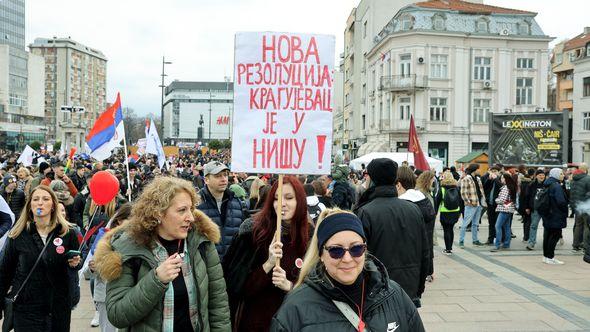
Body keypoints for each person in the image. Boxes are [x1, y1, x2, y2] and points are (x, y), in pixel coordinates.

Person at [94, 176, 231, 331]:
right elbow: (117, 314)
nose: (191, 218)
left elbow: (218, 304)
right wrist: (156, 280)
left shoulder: (202, 242)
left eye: (191, 209)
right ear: (158, 213)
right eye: (182, 210)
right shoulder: (128, 247)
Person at [270, 209, 425, 332]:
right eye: (336, 251)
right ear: (321, 255)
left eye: (356, 249)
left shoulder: (393, 294)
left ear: (365, 250)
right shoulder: (296, 307)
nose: (347, 259)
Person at [223, 176, 311, 331]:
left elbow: (315, 290)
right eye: (277, 199)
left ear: (301, 201)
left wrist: (290, 286)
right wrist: (268, 264)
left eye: (289, 198)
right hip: (257, 323)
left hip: (293, 323)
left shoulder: (310, 237)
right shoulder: (253, 232)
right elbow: (237, 287)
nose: (282, 204)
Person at [0, 185, 81, 331]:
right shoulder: (17, 235)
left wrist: (75, 264)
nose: (40, 203)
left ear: (53, 206)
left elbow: (74, 266)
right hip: (27, 309)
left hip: (58, 308)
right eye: (35, 199)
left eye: (45, 199)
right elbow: (4, 272)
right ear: (30, 206)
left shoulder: (68, 233)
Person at [354, 158, 429, 308]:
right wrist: (419, 288)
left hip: (377, 290)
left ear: (372, 178)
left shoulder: (365, 212)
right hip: (409, 287)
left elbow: (359, 256)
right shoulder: (413, 209)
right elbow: (425, 253)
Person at [83, 203, 132, 332]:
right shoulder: (104, 239)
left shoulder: (141, 241)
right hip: (105, 296)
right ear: (120, 220)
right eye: (130, 218)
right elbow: (87, 274)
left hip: (130, 297)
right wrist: (93, 268)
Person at [197, 161, 246, 258]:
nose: (223, 179)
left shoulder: (236, 202)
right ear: (206, 180)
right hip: (207, 266)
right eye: (217, 176)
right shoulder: (196, 204)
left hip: (232, 266)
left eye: (225, 175)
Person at [396, 166, 436, 282]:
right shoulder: (425, 201)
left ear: (398, 185)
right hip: (419, 266)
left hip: (403, 267)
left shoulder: (403, 206)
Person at [540, 168, 569, 265]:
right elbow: (561, 201)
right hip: (556, 214)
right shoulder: (556, 186)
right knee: (555, 235)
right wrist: (565, 209)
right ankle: (550, 257)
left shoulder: (547, 184)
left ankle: (546, 257)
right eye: (561, 174)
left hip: (548, 213)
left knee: (548, 235)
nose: (563, 175)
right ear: (556, 175)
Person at [458, 163, 486, 248]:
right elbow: (463, 191)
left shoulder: (478, 179)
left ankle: (475, 240)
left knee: (475, 223)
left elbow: (481, 190)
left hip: (478, 203)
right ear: (475, 169)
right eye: (478, 169)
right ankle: (461, 241)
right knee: (465, 223)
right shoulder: (466, 178)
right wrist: (467, 201)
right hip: (471, 203)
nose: (479, 170)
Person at [434, 172, 462, 254]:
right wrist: (460, 211)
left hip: (445, 212)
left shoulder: (442, 188)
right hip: (455, 211)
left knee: (446, 230)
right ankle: (450, 248)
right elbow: (460, 201)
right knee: (451, 229)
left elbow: (437, 201)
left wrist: (435, 213)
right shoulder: (456, 188)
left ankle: (448, 249)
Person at [491, 174, 517, 252]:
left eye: (502, 178)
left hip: (504, 209)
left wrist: (496, 200)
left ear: (505, 179)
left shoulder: (505, 188)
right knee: (507, 227)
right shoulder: (511, 187)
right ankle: (506, 244)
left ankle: (497, 245)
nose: (501, 179)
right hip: (509, 209)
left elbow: (501, 200)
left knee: (497, 226)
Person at [569, 163, 590, 253]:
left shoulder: (573, 179)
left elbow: (572, 192)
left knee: (578, 225)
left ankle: (576, 245)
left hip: (577, 205)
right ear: (585, 170)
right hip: (585, 205)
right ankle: (586, 247)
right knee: (587, 226)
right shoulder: (587, 178)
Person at [525, 170, 546, 250]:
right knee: (533, 226)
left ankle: (546, 242)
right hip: (535, 209)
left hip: (545, 209)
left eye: (543, 175)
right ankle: (531, 242)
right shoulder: (531, 185)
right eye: (540, 175)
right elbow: (527, 196)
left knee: (546, 226)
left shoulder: (547, 184)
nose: (542, 176)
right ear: (536, 176)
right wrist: (527, 207)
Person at [482, 165, 502, 245]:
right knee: (491, 222)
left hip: (498, 205)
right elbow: (484, 187)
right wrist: (489, 180)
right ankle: (490, 239)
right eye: (492, 171)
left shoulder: (501, 179)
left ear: (499, 172)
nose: (493, 173)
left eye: (495, 171)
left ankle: (498, 239)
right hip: (490, 204)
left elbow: (501, 187)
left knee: (498, 223)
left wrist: (496, 178)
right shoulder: (490, 179)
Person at [518, 169, 535, 242]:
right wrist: (527, 207)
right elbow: (527, 196)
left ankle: (525, 237)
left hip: (523, 205)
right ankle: (526, 237)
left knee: (526, 221)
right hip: (527, 205)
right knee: (528, 222)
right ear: (533, 174)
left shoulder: (523, 182)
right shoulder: (529, 183)